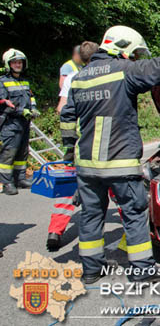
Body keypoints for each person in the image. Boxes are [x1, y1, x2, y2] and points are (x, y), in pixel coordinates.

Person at [60, 25, 160, 284]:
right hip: (119, 163)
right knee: (133, 214)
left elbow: (67, 118)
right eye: (133, 54)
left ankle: (90, 271)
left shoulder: (80, 77)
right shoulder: (124, 71)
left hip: (87, 166)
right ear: (122, 49)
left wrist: (68, 149)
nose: (134, 60)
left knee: (91, 215)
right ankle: (142, 271)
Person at [47, 41, 98, 251]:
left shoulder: (71, 78)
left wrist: (69, 143)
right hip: (99, 142)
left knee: (68, 188)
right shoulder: (104, 76)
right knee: (116, 188)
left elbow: (61, 108)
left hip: (75, 143)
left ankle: (55, 231)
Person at [0, 49, 40, 195]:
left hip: (24, 123)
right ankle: (7, 182)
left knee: (22, 153)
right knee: (8, 154)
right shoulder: (2, 82)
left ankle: (20, 179)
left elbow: (31, 97)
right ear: (8, 64)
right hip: (10, 124)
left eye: (20, 62)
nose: (18, 65)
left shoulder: (24, 81)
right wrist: (20, 111)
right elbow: (4, 104)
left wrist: (34, 108)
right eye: (15, 62)